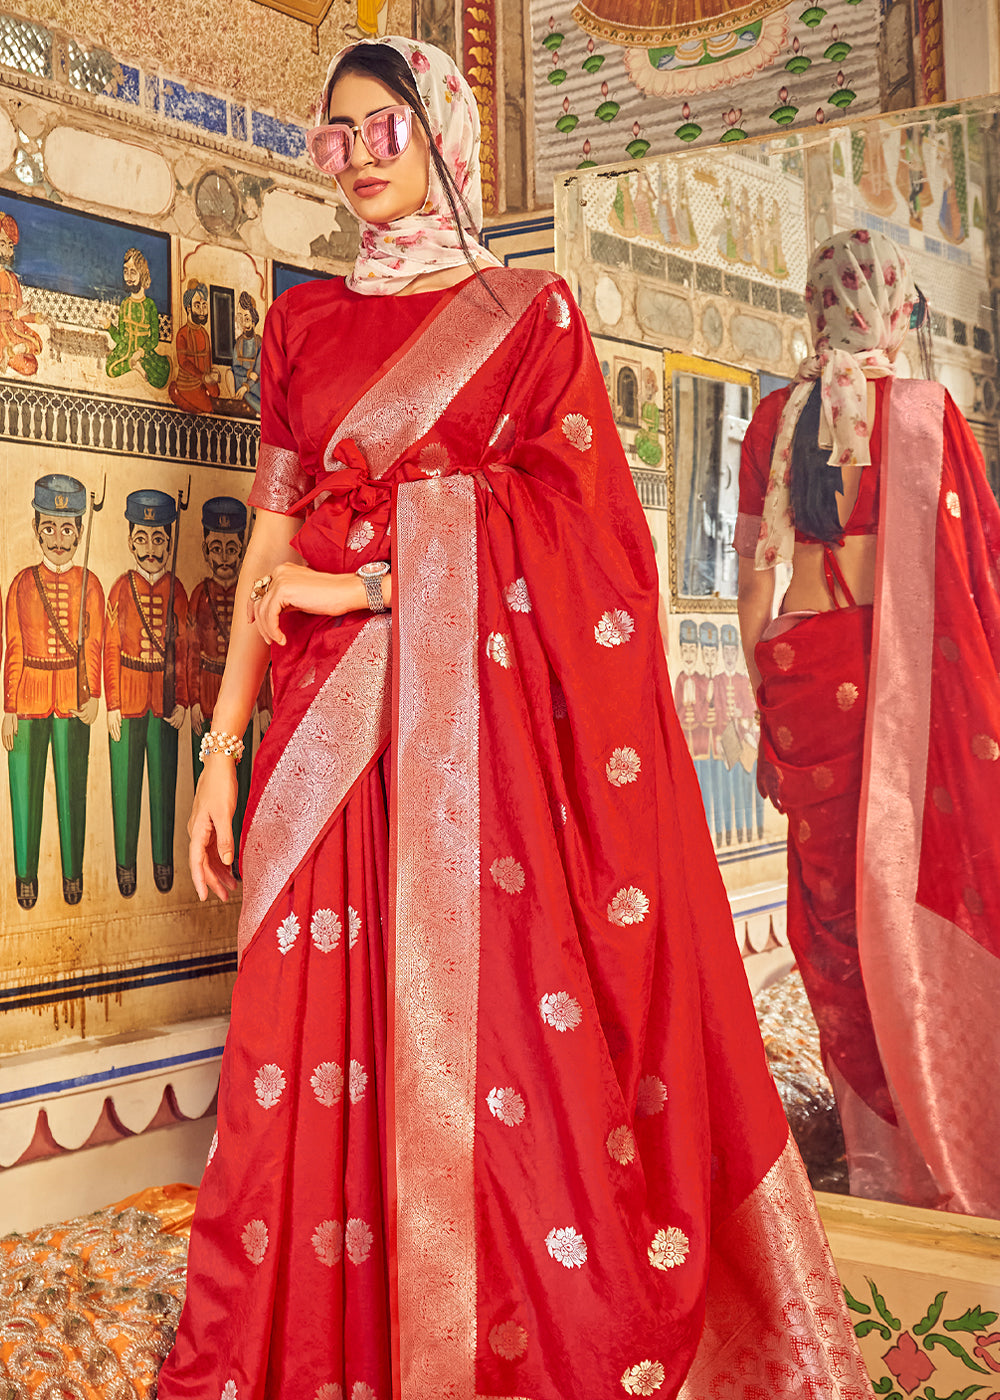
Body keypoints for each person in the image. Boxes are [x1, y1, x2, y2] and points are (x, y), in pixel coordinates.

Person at [157, 38, 869, 1400]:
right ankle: (314, 1344)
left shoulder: (527, 317)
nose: (361, 158)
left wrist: (365, 576)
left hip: (468, 755)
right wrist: (219, 751)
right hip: (320, 729)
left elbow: (591, 546)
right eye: (336, 135)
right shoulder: (302, 326)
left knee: (482, 1046)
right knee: (294, 1047)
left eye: (386, 128)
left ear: (445, 135)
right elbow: (265, 553)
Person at [736, 228, 1000, 1217]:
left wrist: (772, 713)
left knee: (846, 923)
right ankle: (946, 1167)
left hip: (806, 688)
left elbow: (754, 589)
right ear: (899, 312)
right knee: (922, 910)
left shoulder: (779, 416)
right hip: (899, 696)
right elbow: (975, 588)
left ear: (815, 311)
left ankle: (878, 1166)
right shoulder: (931, 414)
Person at [3, 474, 104, 909]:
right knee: (24, 792)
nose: (58, 539)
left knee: (72, 791)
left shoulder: (92, 584)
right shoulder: (22, 583)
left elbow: (96, 641)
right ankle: (25, 874)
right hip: (27, 697)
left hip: (71, 697)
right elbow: (12, 646)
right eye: (49, 527)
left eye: (67, 528)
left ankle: (73, 875)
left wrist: (95, 694)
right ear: (35, 527)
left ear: (80, 531)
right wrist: (8, 706)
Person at [104, 489, 188, 897]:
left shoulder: (179, 590)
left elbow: (186, 648)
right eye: (142, 538)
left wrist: (185, 700)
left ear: (169, 542)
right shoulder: (121, 588)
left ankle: (163, 863)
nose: (151, 548)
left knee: (164, 785)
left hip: (165, 700)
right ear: (130, 539)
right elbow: (108, 649)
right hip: (129, 698)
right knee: (126, 785)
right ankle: (125, 864)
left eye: (159, 539)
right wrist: (113, 705)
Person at [104, 247, 171, 388]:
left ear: (143, 274)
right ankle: (134, 366)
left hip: (143, 353)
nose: (128, 277)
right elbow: (121, 338)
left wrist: (140, 352)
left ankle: (137, 363)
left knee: (160, 377)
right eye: (125, 272)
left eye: (133, 272)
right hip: (126, 351)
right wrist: (109, 326)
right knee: (109, 369)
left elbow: (153, 340)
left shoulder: (149, 305)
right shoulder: (125, 304)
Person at [168, 280, 221, 413]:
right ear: (189, 308)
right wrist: (203, 377)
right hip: (188, 385)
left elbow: (207, 361)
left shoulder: (204, 333)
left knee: (217, 395)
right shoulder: (182, 333)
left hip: (203, 382)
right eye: (198, 306)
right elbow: (183, 362)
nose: (202, 310)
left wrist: (212, 375)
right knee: (209, 409)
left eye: (204, 305)